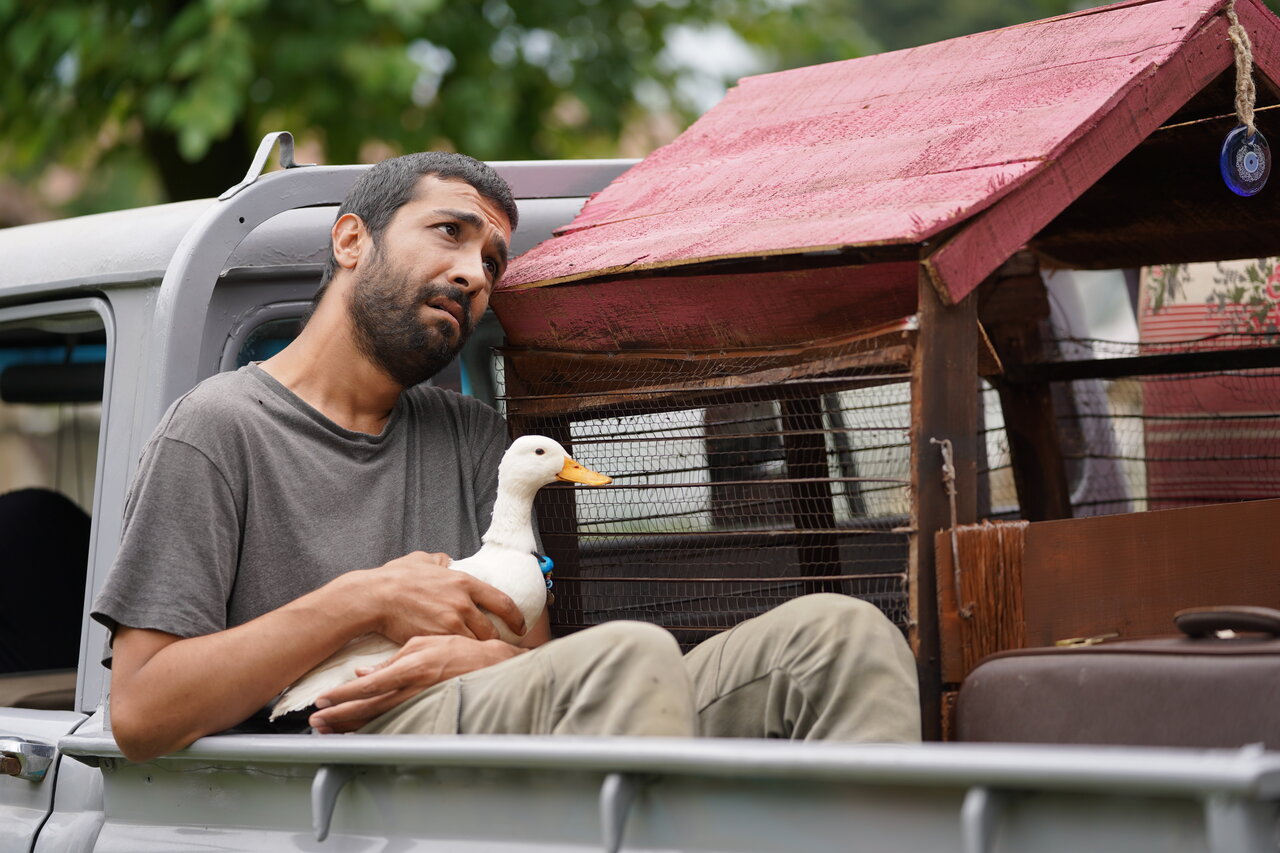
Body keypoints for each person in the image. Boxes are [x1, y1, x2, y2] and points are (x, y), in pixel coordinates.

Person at [92, 153, 920, 763]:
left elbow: (535, 657)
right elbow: (140, 710)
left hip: (478, 715)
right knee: (627, 655)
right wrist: (362, 600)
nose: (472, 274)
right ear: (351, 240)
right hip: (332, 753)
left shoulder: (476, 438)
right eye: (448, 233)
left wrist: (487, 656)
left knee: (841, 634)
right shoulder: (216, 429)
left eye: (492, 261)